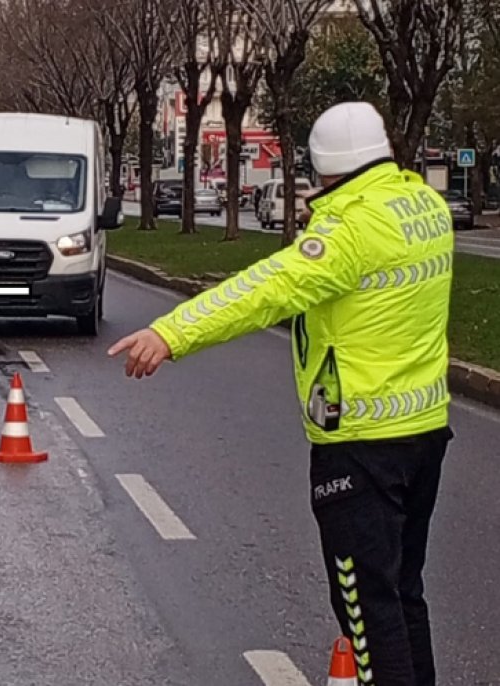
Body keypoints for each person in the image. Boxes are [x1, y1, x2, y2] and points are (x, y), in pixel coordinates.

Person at [108, 101, 454, 686]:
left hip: (359, 445)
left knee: (366, 610)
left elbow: (264, 289)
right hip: (423, 431)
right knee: (403, 591)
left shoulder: (349, 231)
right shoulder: (427, 206)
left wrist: (171, 333)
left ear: (323, 166)